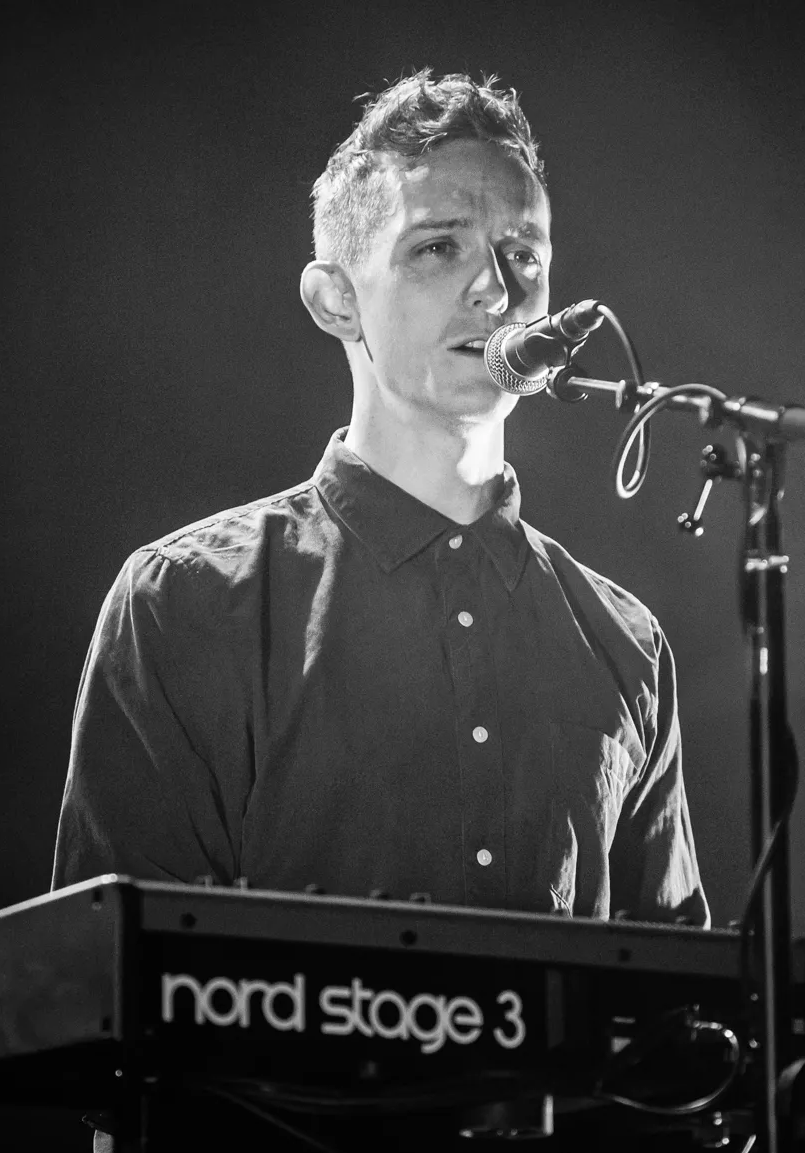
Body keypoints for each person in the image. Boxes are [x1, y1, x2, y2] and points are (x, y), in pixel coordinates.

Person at [50, 70, 709, 928]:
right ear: (336, 301)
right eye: (438, 247)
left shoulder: (626, 642)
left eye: (524, 255)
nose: (497, 290)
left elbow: (670, 988)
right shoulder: (183, 601)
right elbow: (114, 967)